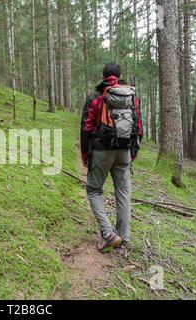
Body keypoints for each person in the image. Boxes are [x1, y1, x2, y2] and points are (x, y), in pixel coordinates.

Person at [80, 62, 142, 254]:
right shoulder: (131, 96)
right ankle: (123, 239)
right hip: (124, 151)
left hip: (101, 151)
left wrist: (85, 154)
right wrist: (133, 153)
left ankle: (108, 234)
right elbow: (138, 126)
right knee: (123, 193)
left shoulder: (95, 97)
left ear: (103, 76)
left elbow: (86, 128)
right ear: (120, 75)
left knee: (93, 190)